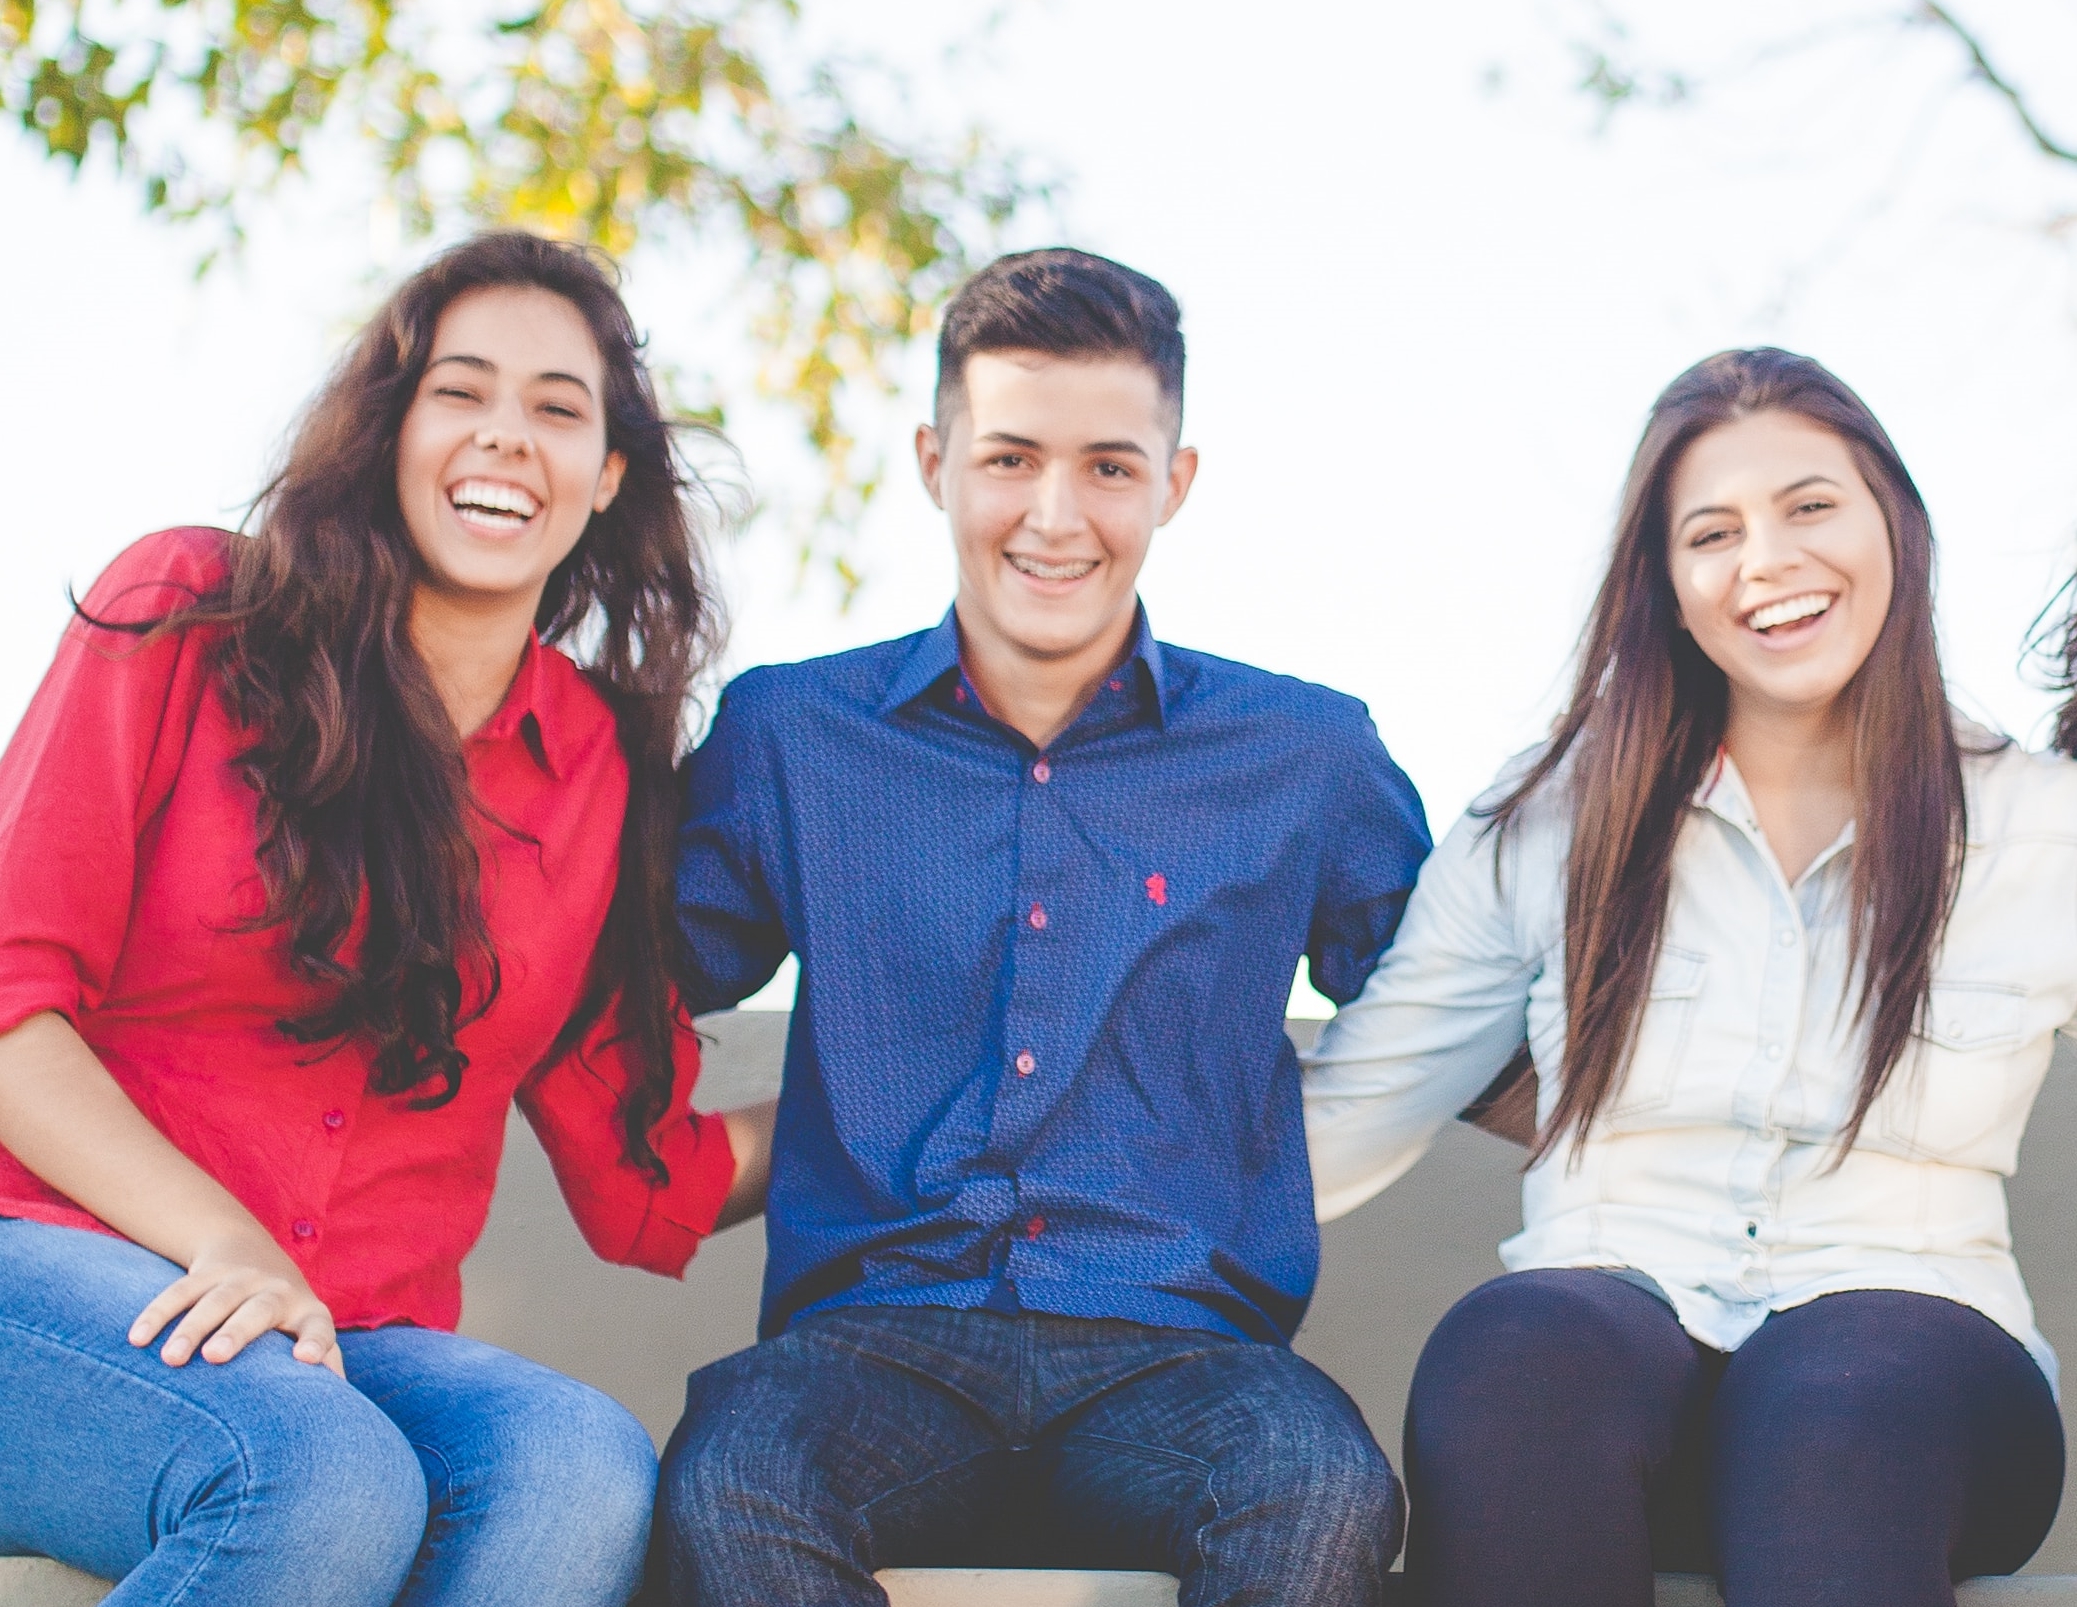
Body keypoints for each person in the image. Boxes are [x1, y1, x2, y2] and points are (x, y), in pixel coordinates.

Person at [0, 232, 774, 1607]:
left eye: (556, 407)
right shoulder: (188, 610)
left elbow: (641, 1172)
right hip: (45, 1272)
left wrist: (951, 1094)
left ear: (604, 478)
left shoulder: (599, 769)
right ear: (389, 432)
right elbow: (9, 1006)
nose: (505, 438)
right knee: (320, 1478)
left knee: (578, 1465)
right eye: (459, 390)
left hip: (345, 1337)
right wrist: (223, 1235)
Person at [657, 248, 1431, 1605]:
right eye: (1010, 457)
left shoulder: (1305, 754)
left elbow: (1461, 1010)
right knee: (731, 1473)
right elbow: (607, 977)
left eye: (1110, 467)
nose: (1055, 514)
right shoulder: (791, 735)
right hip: (869, 1345)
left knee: (1319, 1486)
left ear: (1175, 482)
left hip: (1180, 1353)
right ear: (934, 459)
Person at [1302, 347, 2072, 1607]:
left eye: (1810, 506)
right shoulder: (1545, 819)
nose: (1766, 561)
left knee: (1832, 1401)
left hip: (1917, 1365)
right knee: (1507, 1360)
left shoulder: (2043, 830)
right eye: (1711, 531)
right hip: (1611, 1339)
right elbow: (1344, 1120)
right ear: (1663, 581)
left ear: (1896, 523)